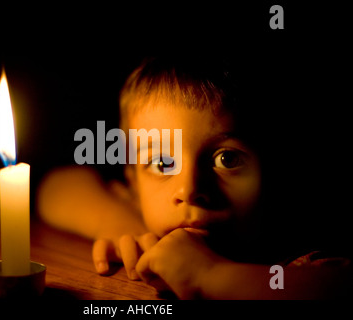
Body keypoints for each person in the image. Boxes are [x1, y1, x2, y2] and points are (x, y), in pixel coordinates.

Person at [37, 55, 352, 299]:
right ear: (133, 181)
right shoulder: (155, 215)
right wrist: (123, 228)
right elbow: (56, 186)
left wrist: (210, 275)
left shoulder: (298, 257)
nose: (189, 189)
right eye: (162, 163)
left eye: (226, 159)